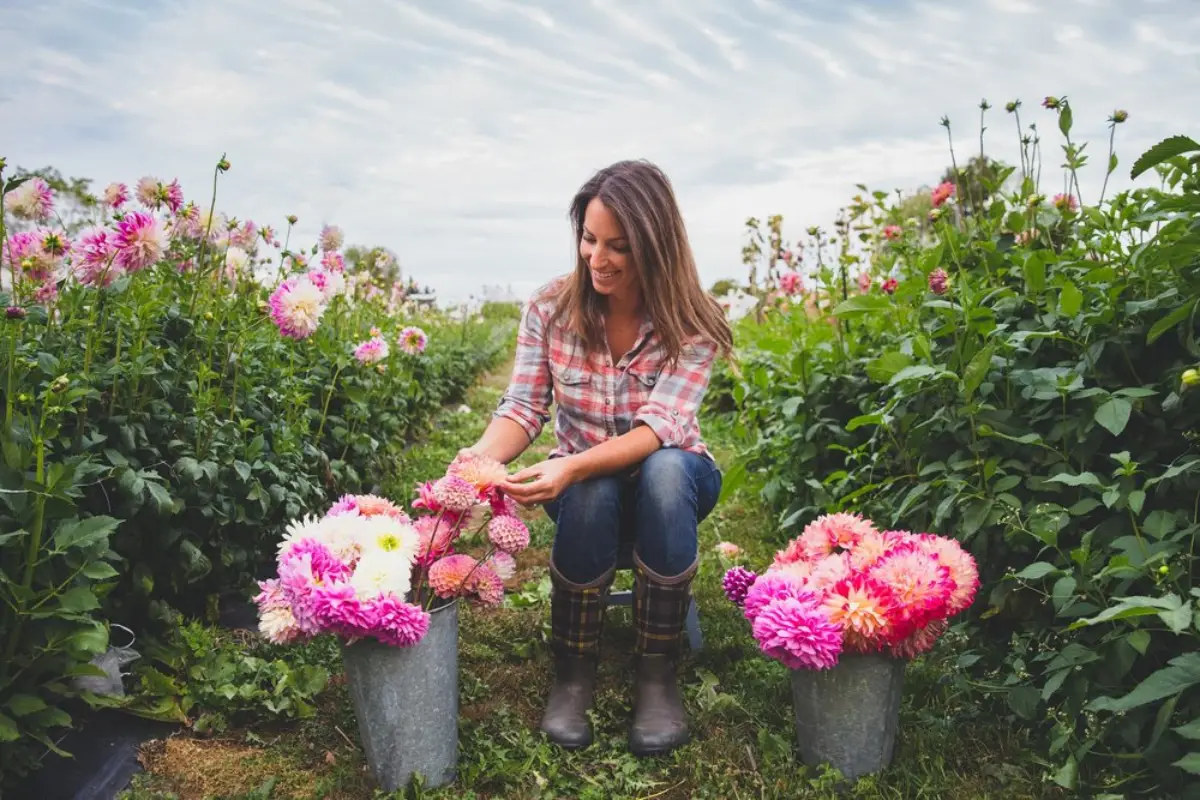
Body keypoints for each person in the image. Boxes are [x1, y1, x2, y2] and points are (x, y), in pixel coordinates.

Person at [461, 159, 733, 756]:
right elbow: (523, 408)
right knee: (588, 486)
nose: (597, 258)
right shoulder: (549, 310)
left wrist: (571, 464)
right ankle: (573, 672)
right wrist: (475, 462)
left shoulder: (692, 322)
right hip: (588, 499)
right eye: (588, 238)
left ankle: (657, 674)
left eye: (619, 246)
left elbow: (660, 428)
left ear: (656, 246)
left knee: (657, 470)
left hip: (676, 487)